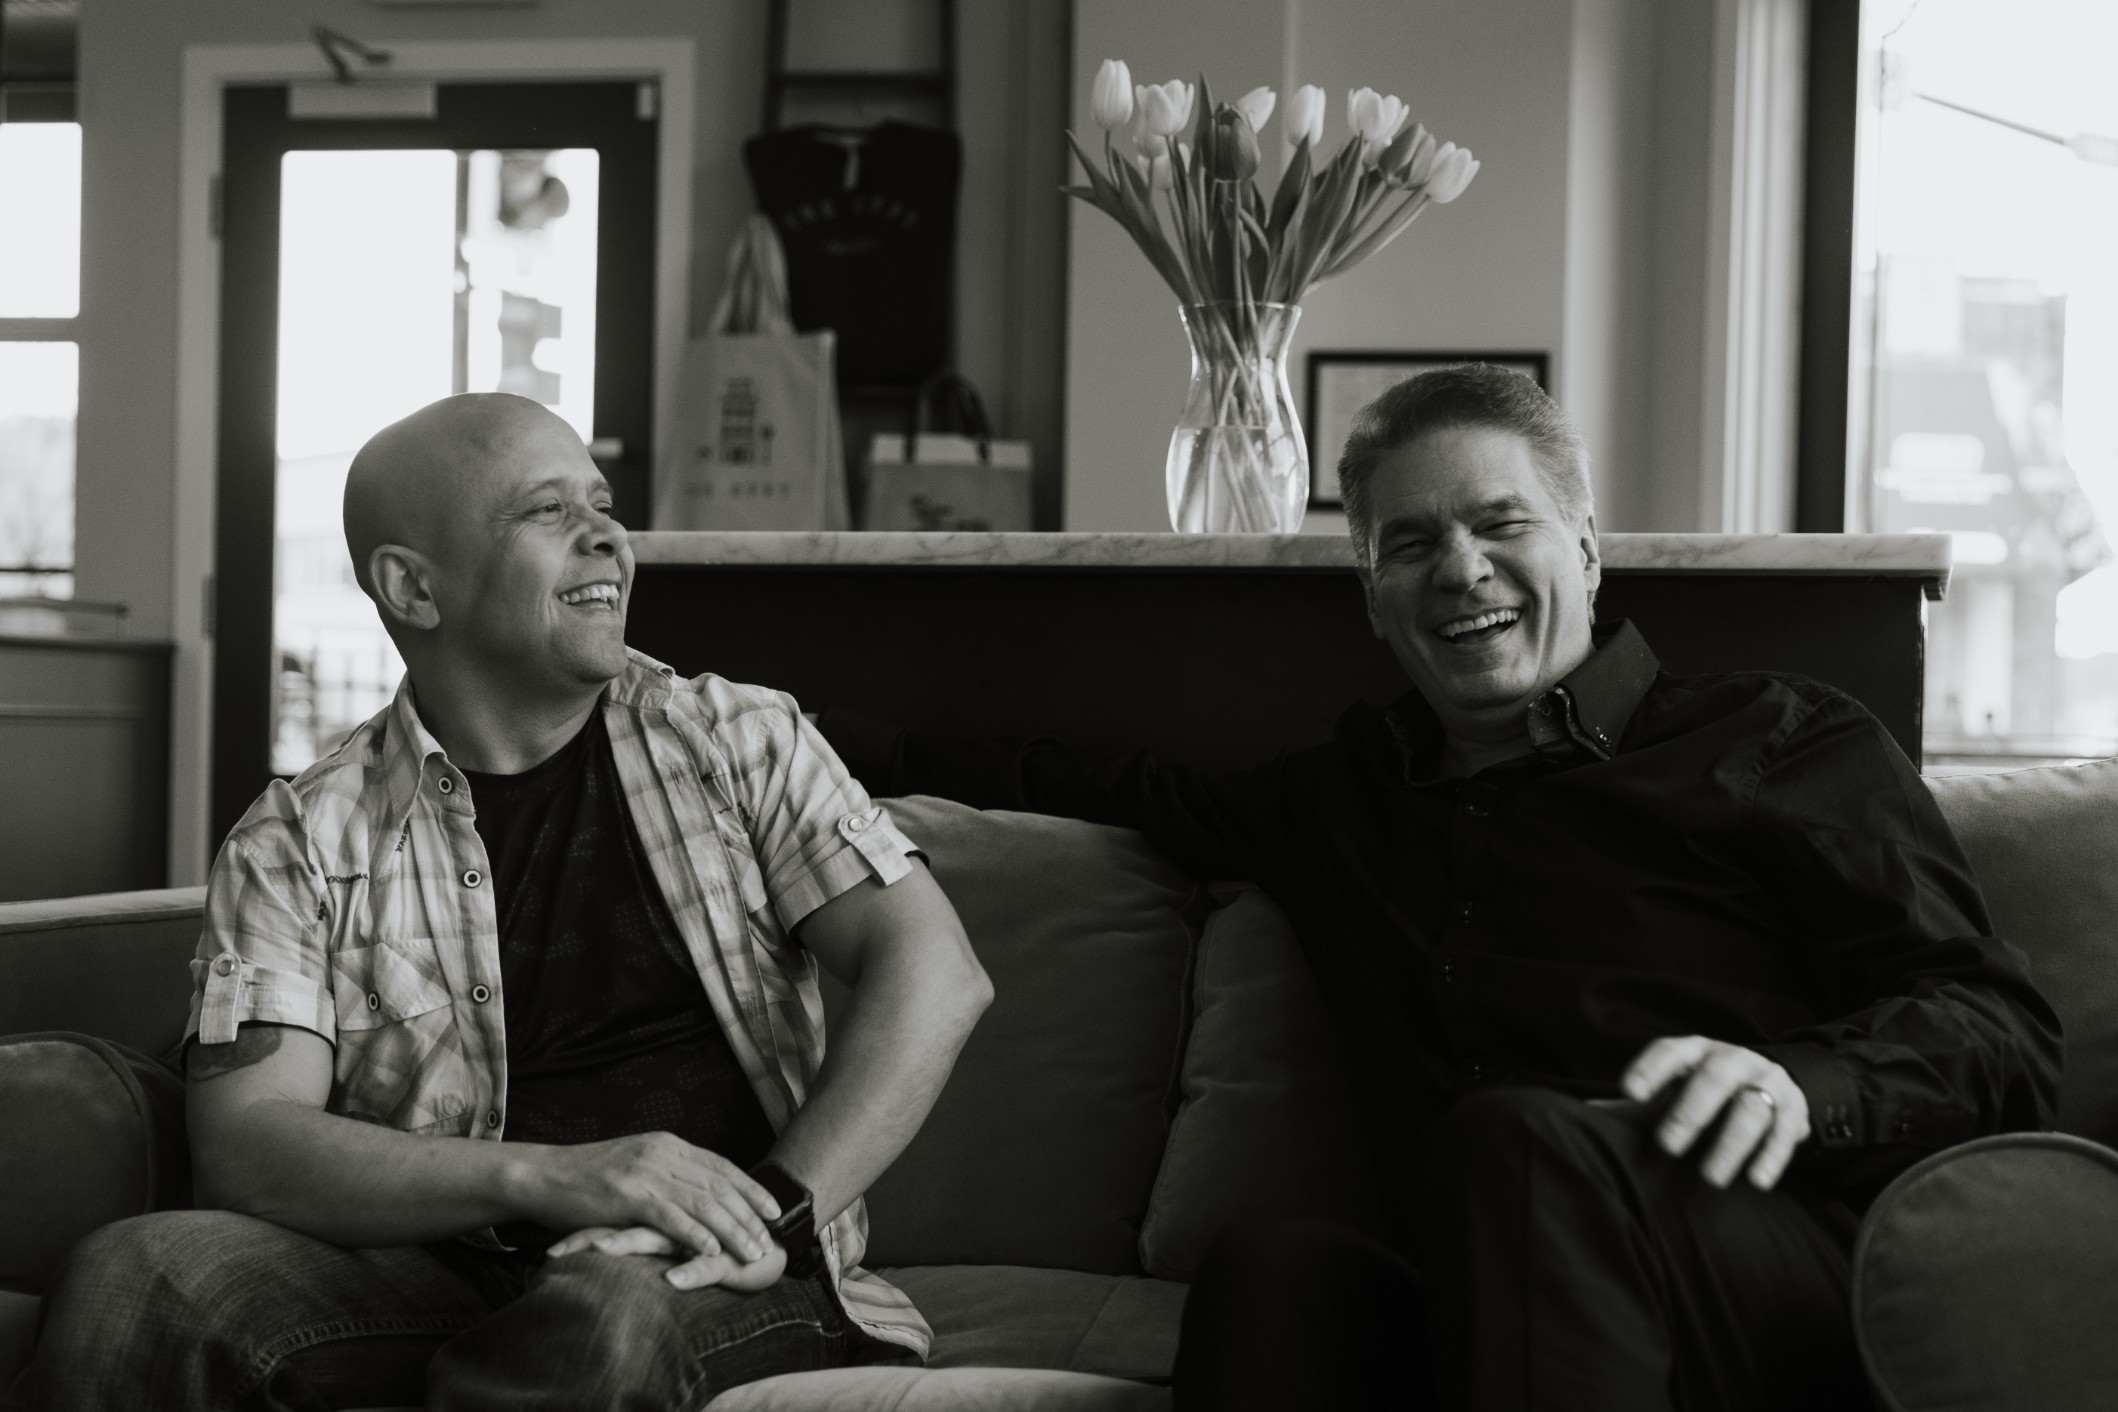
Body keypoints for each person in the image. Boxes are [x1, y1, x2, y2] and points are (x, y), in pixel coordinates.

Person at [817, 365, 2061, 1411]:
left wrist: (1800, 1082)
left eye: (1500, 523)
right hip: (1476, 1285)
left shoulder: (1775, 739)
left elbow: (1995, 1022)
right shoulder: (1348, 798)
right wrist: (781, 731)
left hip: (1755, 1265)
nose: (1460, 569)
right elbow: (1083, 779)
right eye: (1409, 544)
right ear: (1374, 596)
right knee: (1277, 1270)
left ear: (1586, 546)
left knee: (1517, 1139)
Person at [22, 393, 992, 1411]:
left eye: (602, 504)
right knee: (136, 1281)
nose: (607, 536)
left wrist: (781, 1210)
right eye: (548, 510)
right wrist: (550, 1176)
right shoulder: (297, 839)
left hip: (712, 1258)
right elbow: (247, 1143)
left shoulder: (738, 740)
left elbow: (936, 971)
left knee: (600, 1312)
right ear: (413, 586)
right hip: (438, 1266)